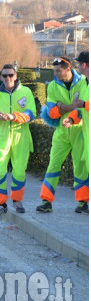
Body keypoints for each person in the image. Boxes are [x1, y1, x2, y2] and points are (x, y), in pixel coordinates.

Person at [37, 56, 88, 213]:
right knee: (53, 164)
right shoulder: (52, 86)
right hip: (61, 132)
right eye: (54, 71)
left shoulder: (83, 82)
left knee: (80, 167)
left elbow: (80, 109)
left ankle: (83, 202)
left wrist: (62, 106)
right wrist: (69, 107)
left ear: (68, 68)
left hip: (79, 131)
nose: (56, 74)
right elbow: (52, 113)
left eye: (59, 71)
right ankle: (46, 201)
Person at [0, 64, 36, 217]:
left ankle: (17, 200)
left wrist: (14, 116)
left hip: (20, 138)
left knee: (19, 172)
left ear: (16, 76)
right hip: (1, 139)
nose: (8, 78)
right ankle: (1, 203)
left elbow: (31, 113)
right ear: (1, 77)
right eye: (4, 76)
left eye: (10, 75)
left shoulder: (26, 91)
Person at [67, 50, 89, 213]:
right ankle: (83, 203)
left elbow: (84, 106)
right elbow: (80, 110)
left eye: (78, 64)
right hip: (86, 136)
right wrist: (72, 118)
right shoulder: (83, 84)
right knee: (83, 168)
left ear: (84, 65)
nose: (77, 67)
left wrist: (84, 105)